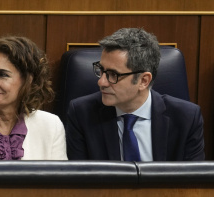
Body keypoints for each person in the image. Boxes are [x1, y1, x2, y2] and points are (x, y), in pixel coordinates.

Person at [66, 28, 204, 161]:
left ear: (143, 81)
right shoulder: (82, 114)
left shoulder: (186, 118)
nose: (101, 82)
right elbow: (81, 181)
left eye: (113, 75)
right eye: (101, 70)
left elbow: (193, 181)